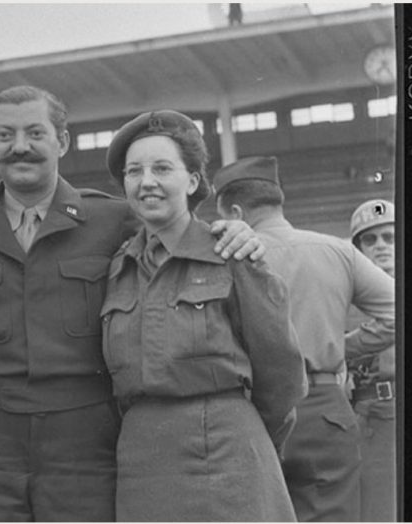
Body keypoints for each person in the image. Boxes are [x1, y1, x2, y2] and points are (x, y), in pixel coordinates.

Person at [0, 85, 263, 521]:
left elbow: (176, 238)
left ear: (63, 142)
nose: (20, 148)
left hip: (86, 439)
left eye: (35, 133)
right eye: (5, 136)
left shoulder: (113, 221)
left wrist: (232, 233)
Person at [102, 111, 305, 521]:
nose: (147, 182)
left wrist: (246, 438)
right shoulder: (118, 267)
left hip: (227, 454)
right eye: (134, 172)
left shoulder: (232, 254)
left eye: (162, 168)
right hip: (143, 460)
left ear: (193, 181)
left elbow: (280, 371)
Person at [212, 156, 395, 522]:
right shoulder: (338, 251)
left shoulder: (222, 258)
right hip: (325, 407)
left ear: (235, 211)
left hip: (254, 409)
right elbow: (397, 311)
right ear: (277, 200)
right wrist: (342, 347)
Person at [346, 198, 396, 522]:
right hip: (373, 418)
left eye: (389, 237)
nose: (381, 246)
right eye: (370, 239)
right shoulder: (343, 300)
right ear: (358, 249)